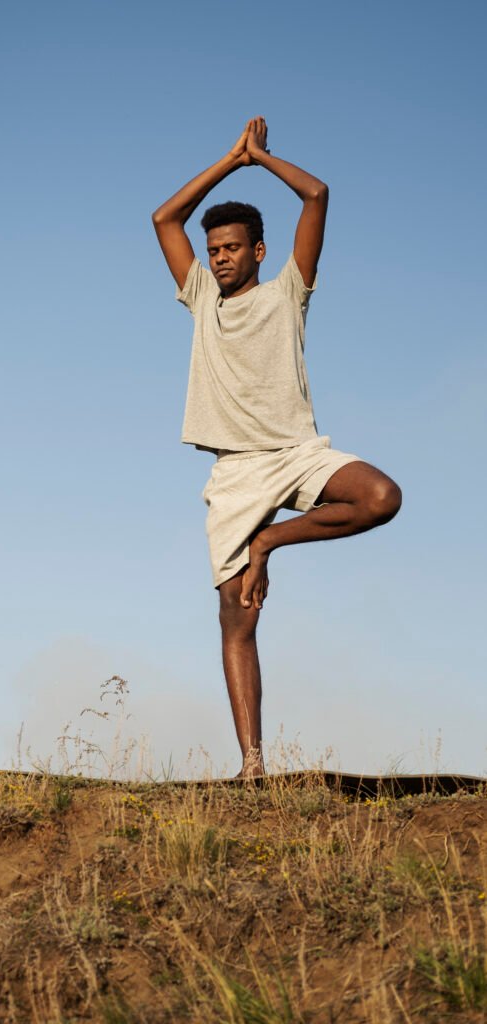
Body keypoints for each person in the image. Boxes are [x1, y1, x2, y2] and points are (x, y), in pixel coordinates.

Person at [152, 117, 402, 779]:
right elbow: (162, 219)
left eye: (233, 247)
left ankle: (269, 542)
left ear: (259, 252)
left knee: (380, 496)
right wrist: (225, 162)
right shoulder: (202, 298)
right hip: (236, 471)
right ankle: (253, 765)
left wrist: (259, 159)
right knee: (235, 619)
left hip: (295, 452)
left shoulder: (288, 292)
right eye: (216, 249)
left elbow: (316, 195)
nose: (221, 258)